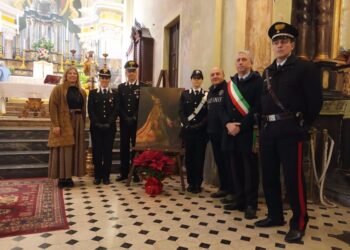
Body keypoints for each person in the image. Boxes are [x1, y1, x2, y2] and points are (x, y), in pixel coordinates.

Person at [254, 22, 323, 243]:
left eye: (284, 40)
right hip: (268, 131)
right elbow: (261, 102)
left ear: (292, 44)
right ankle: (275, 215)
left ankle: (299, 222)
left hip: (291, 131)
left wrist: (302, 125)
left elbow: (315, 102)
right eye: (276, 41)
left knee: (294, 179)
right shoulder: (267, 71)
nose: (279, 44)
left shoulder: (305, 68)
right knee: (270, 176)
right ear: (272, 46)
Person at [220, 51, 262, 219]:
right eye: (238, 60)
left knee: (250, 170)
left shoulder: (258, 82)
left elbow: (258, 107)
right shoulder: (230, 84)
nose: (240, 62)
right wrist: (227, 124)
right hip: (231, 132)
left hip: (248, 132)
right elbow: (222, 109)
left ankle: (251, 204)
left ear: (250, 63)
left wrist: (241, 126)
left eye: (244, 59)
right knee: (235, 168)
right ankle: (239, 200)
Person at [48, 66, 87, 188]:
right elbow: (52, 107)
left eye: (74, 73)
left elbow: (84, 108)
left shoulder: (82, 92)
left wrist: (83, 123)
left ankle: (69, 177)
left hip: (78, 122)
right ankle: (62, 177)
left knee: (74, 150)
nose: (72, 75)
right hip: (64, 121)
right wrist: (56, 124)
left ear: (77, 76)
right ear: (66, 75)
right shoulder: (58, 89)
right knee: (64, 149)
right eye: (70, 73)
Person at [116, 60, 147, 182]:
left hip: (137, 123)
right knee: (123, 147)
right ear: (126, 72)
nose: (131, 73)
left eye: (133, 71)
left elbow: (144, 105)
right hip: (124, 122)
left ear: (136, 72)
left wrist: (134, 117)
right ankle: (123, 172)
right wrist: (125, 117)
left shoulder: (143, 87)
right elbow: (119, 105)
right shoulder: (121, 87)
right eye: (129, 71)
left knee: (136, 147)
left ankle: (136, 173)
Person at [179, 70, 208, 193]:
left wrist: (199, 126)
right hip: (189, 132)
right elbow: (181, 112)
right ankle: (191, 183)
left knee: (199, 158)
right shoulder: (185, 94)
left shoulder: (207, 95)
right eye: (194, 78)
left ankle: (198, 184)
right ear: (191, 80)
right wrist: (187, 125)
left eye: (199, 78)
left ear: (202, 80)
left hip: (201, 132)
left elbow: (208, 114)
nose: (196, 80)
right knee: (189, 158)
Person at [88, 68, 118, 185]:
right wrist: (98, 123)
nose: (104, 80)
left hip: (109, 128)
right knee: (97, 152)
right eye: (102, 77)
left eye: (107, 78)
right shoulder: (93, 93)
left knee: (107, 152)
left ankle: (106, 176)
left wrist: (108, 123)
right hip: (96, 128)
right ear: (99, 79)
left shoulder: (114, 94)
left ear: (109, 79)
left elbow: (116, 110)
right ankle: (97, 176)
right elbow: (90, 110)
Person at [207, 67, 231, 199]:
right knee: (220, 162)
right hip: (213, 132)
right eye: (212, 74)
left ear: (223, 75)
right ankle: (223, 187)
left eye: (217, 74)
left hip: (225, 132)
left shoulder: (228, 89)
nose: (215, 76)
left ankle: (231, 190)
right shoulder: (210, 91)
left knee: (228, 163)